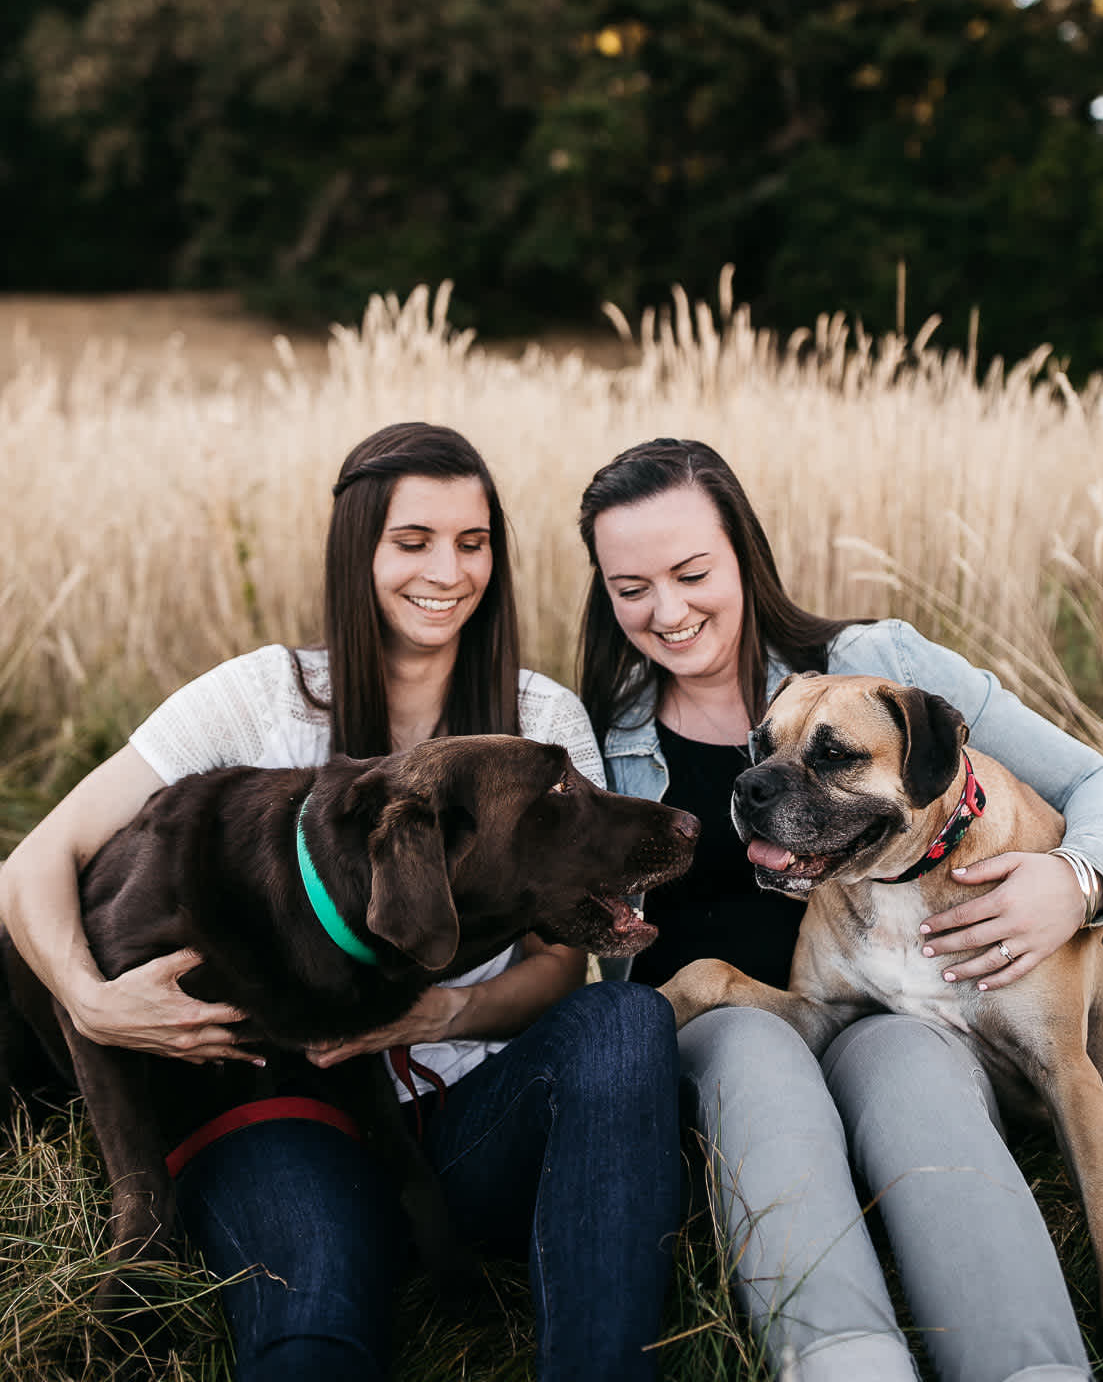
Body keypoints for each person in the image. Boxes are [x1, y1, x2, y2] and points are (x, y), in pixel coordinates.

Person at [0, 422, 681, 1382]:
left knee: (624, 1018)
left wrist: (438, 1010)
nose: (448, 570)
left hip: (467, 1112)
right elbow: (32, 864)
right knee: (315, 1308)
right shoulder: (259, 698)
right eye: (413, 541)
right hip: (284, 1106)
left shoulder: (539, 723)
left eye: (474, 542)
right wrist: (92, 998)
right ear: (357, 550)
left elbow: (556, 964)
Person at [578, 436, 1103, 1382]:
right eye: (631, 587)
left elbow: (1098, 781)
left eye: (692, 572)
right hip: (746, 1014)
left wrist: (1076, 879)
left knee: (913, 1077)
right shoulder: (601, 731)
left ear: (744, 556)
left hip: (888, 1006)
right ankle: (844, 1362)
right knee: (761, 1070)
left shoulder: (871, 667)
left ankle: (1036, 1367)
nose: (668, 611)